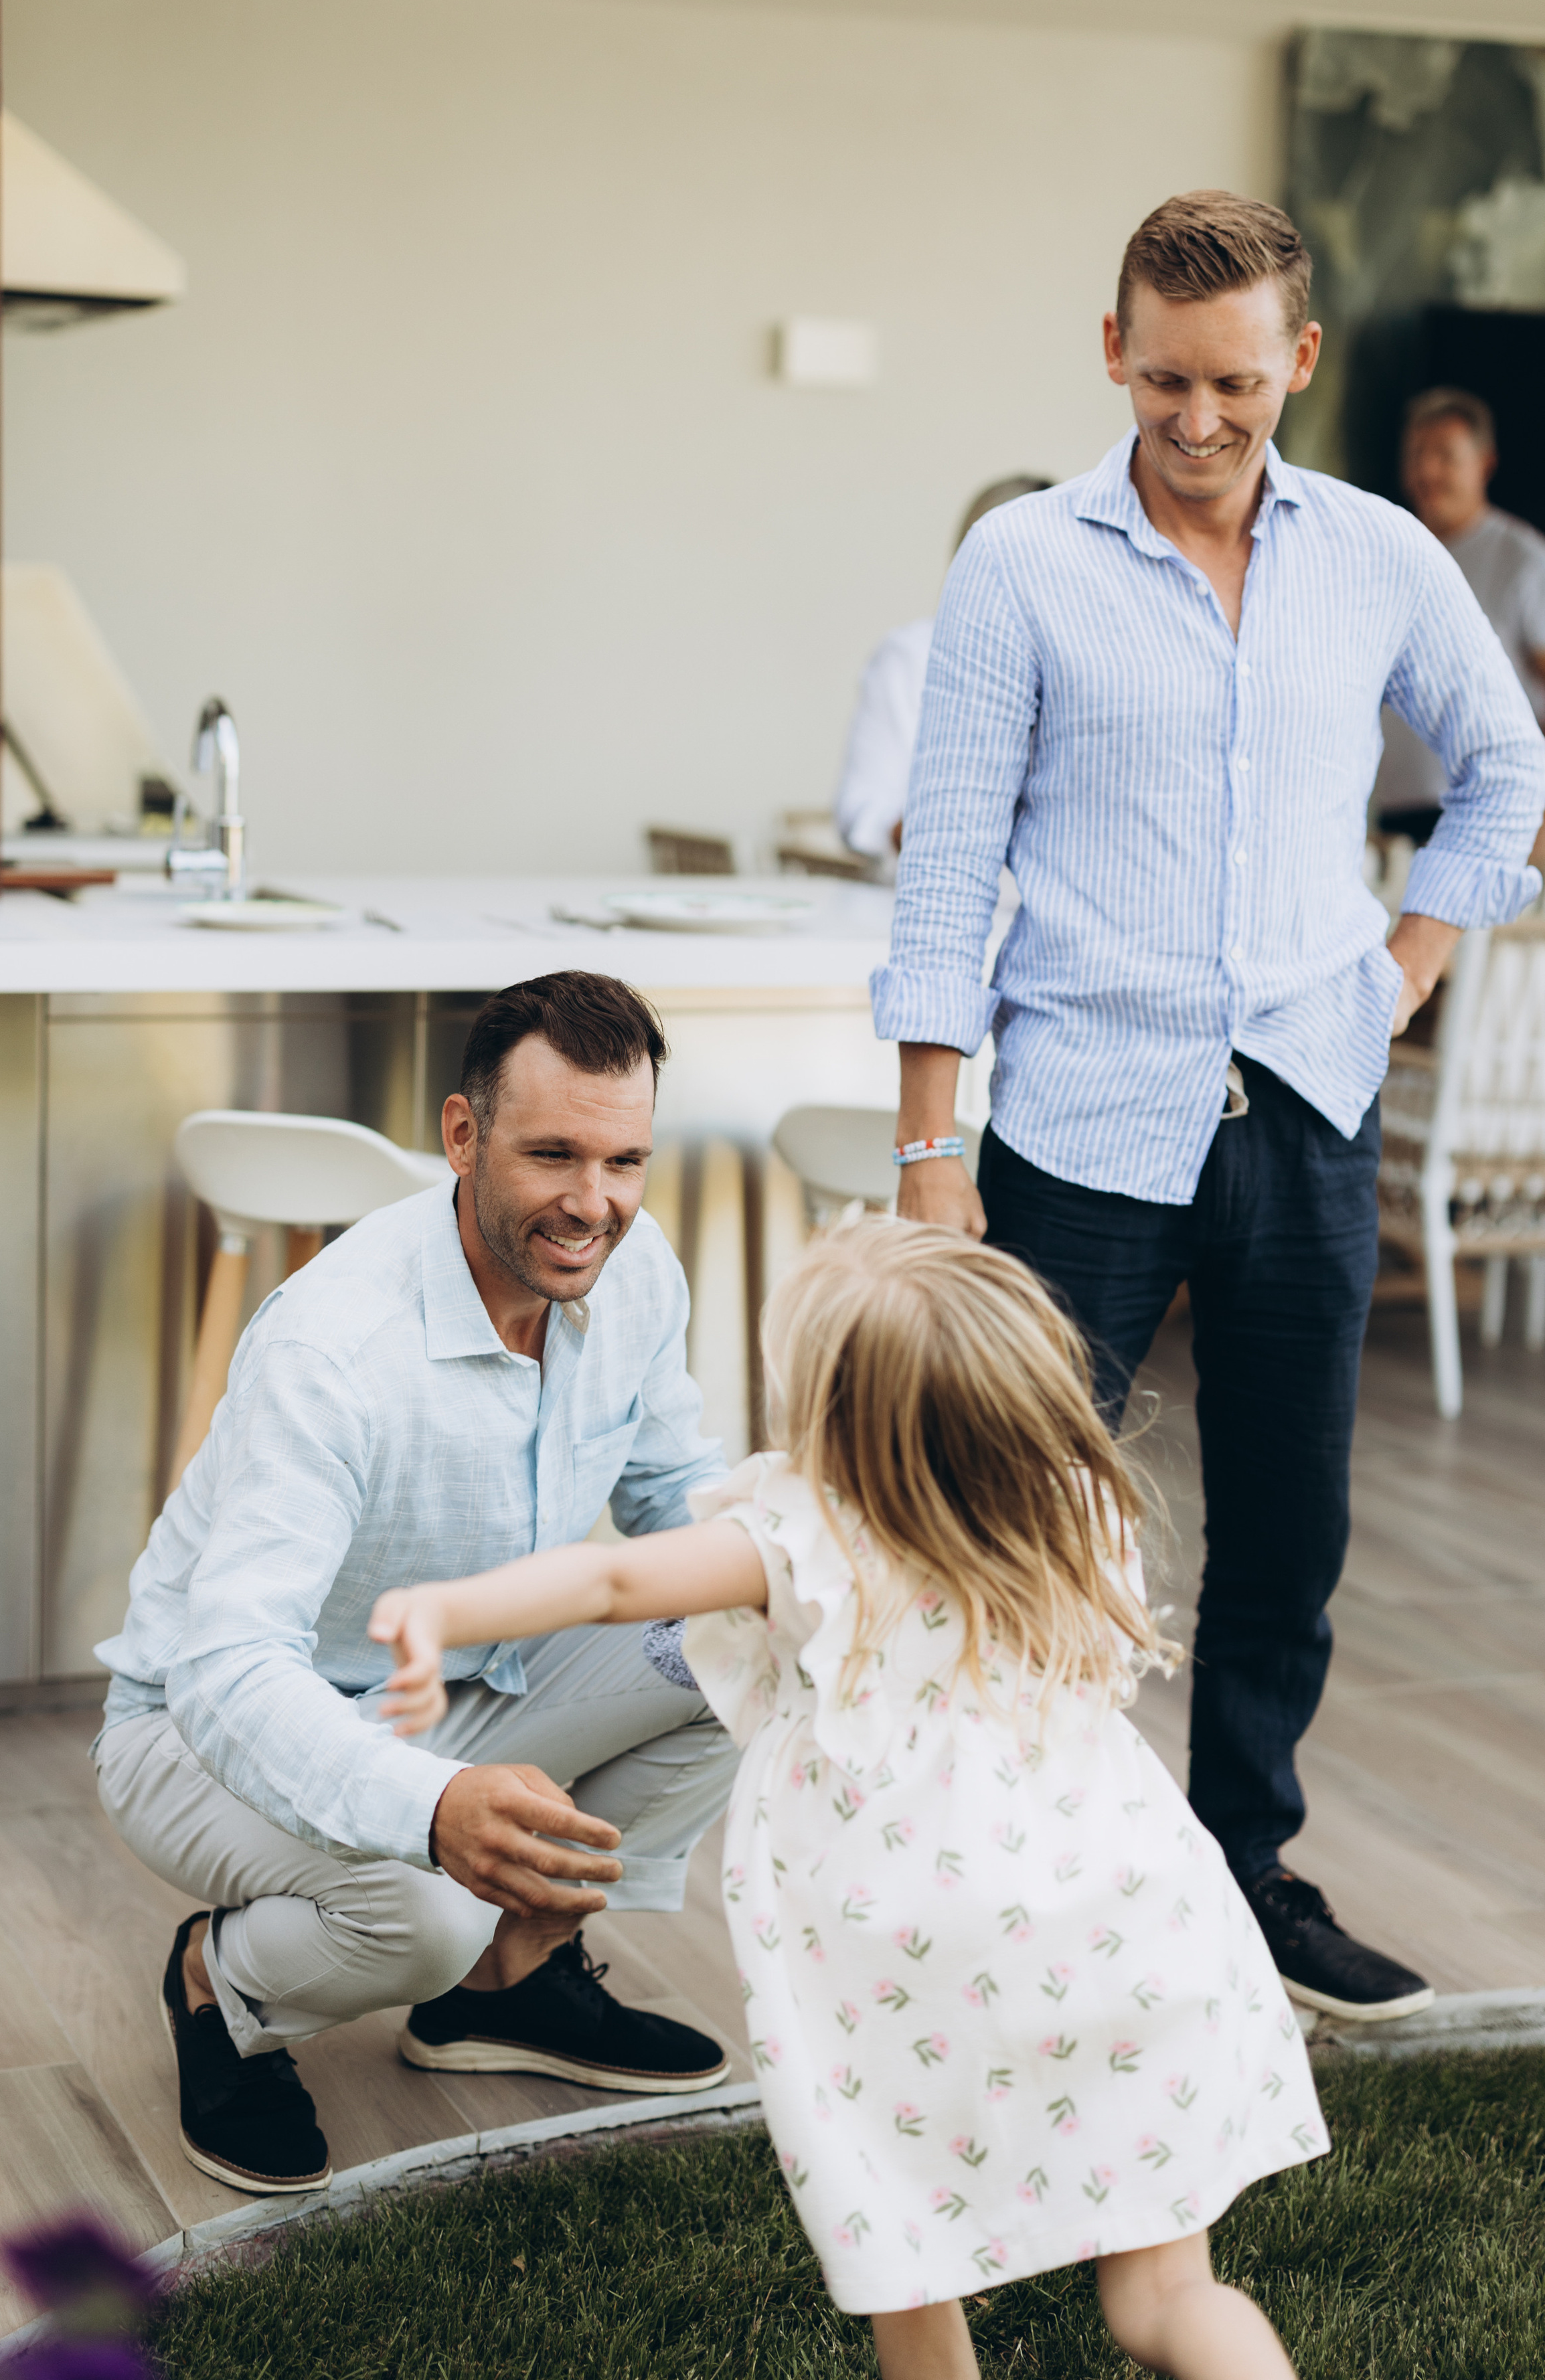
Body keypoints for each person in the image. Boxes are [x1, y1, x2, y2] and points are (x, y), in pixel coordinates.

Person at [872, 191, 1545, 2028]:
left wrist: (1399, 973)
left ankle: (1244, 1873)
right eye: (1165, 378)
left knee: (1287, 1532)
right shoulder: (1021, 563)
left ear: (1298, 364)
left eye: (1235, 383)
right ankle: (1002, 1894)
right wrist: (933, 1156)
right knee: (1008, 1521)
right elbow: (949, 874)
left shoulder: (1384, 557)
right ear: (1113, 352)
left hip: (1309, 1119)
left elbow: (1508, 772)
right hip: (1077, 1125)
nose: (1197, 419)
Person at [373, 1218, 1318, 2380]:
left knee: (914, 2250)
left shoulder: (814, 1531)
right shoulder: (1075, 1507)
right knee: (1170, 2294)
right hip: (1125, 1918)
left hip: (912, 1947)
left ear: (835, 1413)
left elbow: (616, 1576)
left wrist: (443, 1612)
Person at [93, 970, 738, 2197]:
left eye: (624, 1162)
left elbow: (675, 1501)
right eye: (553, 1154)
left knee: (763, 1634)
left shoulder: (635, 1268)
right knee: (432, 1909)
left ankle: (510, 1985)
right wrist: (429, 1810)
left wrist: (832, 1587)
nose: (592, 1204)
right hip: (200, 1724)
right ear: (461, 1134)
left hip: (466, 1679)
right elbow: (229, 1670)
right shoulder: (335, 1344)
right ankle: (219, 1989)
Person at [835, 477, 1052, 869]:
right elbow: (863, 815)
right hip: (924, 899)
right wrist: (951, 825)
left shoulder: (1095, 665)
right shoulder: (912, 657)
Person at [1374, 386, 1545, 841]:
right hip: (1394, 814)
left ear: (1484, 464)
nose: (1427, 470)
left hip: (1490, 816)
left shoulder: (1523, 558)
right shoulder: (1391, 554)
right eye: (1417, 454)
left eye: (1445, 456)